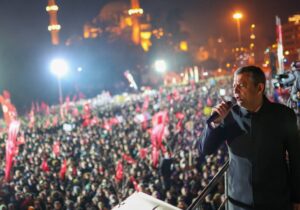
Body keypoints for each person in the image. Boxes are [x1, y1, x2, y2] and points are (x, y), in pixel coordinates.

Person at [200, 66, 300, 210]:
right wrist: (215, 123)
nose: (235, 91)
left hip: (275, 201)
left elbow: (296, 158)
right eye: (234, 86)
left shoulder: (284, 115)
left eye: (241, 85)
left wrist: (297, 198)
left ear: (259, 88)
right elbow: (205, 149)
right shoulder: (228, 116)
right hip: (238, 202)